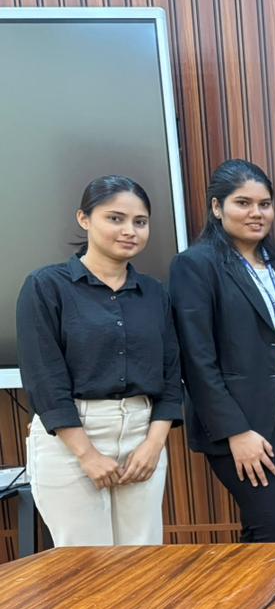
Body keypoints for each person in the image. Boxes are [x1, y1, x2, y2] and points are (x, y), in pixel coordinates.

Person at [17, 175, 182, 546]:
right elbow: (45, 379)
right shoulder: (46, 286)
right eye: (115, 218)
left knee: (142, 559)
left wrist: (153, 445)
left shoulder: (154, 293)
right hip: (72, 436)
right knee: (85, 563)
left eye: (140, 222)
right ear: (84, 218)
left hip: (142, 432)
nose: (130, 231)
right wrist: (87, 454)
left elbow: (171, 374)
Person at [169, 159, 275, 543]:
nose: (256, 213)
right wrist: (236, 431)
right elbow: (196, 359)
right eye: (243, 203)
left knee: (267, 529)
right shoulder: (195, 265)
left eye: (264, 204)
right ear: (217, 207)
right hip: (242, 416)